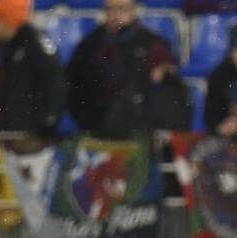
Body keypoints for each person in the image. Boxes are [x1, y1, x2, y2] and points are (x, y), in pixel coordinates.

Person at [67, 0, 189, 138]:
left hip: (141, 125)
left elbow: (166, 75)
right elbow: (73, 85)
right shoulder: (89, 45)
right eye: (110, 9)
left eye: (121, 9)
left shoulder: (152, 43)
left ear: (133, 10)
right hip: (97, 126)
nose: (115, 15)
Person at [0, 0, 66, 140]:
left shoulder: (35, 44)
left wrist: (48, 122)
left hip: (33, 135)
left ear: (7, 20)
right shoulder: (6, 48)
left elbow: (55, 83)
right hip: (13, 132)